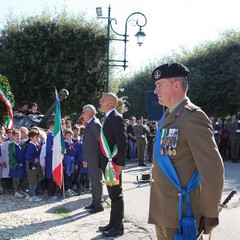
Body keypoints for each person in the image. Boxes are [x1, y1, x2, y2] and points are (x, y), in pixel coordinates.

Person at [148, 62, 224, 240]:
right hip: (164, 211)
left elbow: (212, 168)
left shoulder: (193, 117)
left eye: (160, 85)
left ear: (176, 85)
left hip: (182, 212)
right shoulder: (168, 116)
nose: (155, 90)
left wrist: (210, 213)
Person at [98, 93, 127, 237]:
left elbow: (122, 142)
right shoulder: (108, 117)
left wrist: (120, 164)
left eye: (102, 100)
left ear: (110, 103)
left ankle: (118, 227)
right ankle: (112, 223)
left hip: (113, 164)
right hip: (107, 163)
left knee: (116, 194)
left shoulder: (116, 118)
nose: (100, 102)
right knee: (112, 194)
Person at [81, 104, 103, 214]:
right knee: (93, 181)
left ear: (89, 113)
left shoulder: (94, 124)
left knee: (96, 181)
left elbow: (101, 141)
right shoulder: (90, 123)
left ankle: (98, 204)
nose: (82, 114)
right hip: (91, 158)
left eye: (84, 112)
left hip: (95, 158)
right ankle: (95, 202)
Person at [8, 129, 27, 198]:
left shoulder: (22, 144)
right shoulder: (11, 145)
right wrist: (16, 163)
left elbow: (25, 153)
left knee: (24, 177)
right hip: (16, 164)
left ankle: (23, 190)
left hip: (23, 163)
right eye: (15, 136)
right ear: (13, 137)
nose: (17, 137)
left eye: (18, 136)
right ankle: (16, 191)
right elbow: (11, 156)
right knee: (16, 178)